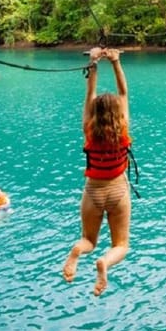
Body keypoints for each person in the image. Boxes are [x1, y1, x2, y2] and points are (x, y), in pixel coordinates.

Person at [62, 47, 131, 296]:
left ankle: (77, 252)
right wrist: (116, 61)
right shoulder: (122, 129)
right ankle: (104, 264)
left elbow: (89, 92)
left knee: (88, 240)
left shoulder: (88, 128)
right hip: (118, 191)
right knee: (120, 245)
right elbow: (123, 92)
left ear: (95, 114)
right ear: (117, 114)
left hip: (93, 191)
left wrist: (93, 61)